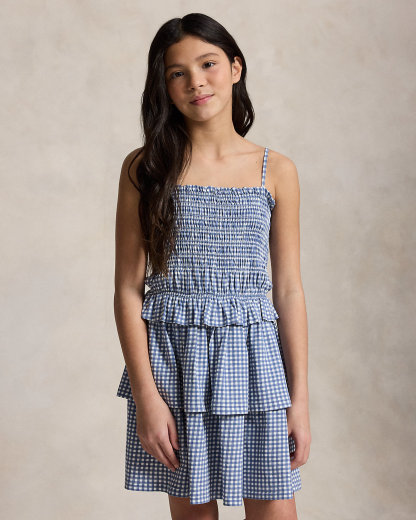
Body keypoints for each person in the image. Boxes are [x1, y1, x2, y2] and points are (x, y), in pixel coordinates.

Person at [114, 12, 311, 520]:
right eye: (177, 73)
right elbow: (128, 290)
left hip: (255, 365)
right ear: (164, 86)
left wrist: (299, 399)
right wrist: (147, 397)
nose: (196, 82)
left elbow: (288, 289)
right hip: (176, 367)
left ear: (235, 68)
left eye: (208, 64)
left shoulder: (276, 170)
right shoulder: (145, 168)